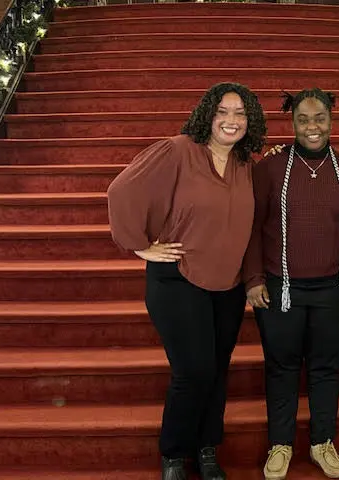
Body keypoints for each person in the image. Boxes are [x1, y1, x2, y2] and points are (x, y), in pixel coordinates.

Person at [107, 82, 266, 480]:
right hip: (177, 280)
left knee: (216, 369)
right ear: (207, 116)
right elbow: (120, 189)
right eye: (223, 112)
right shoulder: (178, 150)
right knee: (193, 370)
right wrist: (140, 246)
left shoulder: (246, 164)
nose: (232, 121)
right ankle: (174, 453)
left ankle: (206, 447)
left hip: (227, 286)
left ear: (251, 122)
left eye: (241, 114)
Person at [242, 88, 339, 480]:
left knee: (326, 367)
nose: (312, 127)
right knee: (281, 366)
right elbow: (251, 228)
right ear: (292, 123)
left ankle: (322, 442)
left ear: (331, 120)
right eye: (303, 119)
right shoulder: (269, 169)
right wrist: (252, 279)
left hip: (333, 289)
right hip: (280, 287)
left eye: (319, 118)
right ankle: (281, 444)